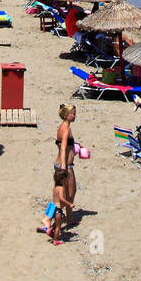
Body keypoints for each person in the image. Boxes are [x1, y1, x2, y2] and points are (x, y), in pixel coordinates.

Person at [52, 104, 78, 244]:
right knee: (68, 194)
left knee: (62, 195)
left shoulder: (63, 127)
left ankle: (69, 219)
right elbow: (62, 149)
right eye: (72, 114)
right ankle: (50, 223)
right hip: (65, 166)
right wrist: (64, 169)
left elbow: (65, 146)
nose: (74, 116)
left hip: (64, 165)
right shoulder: (66, 129)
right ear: (66, 115)